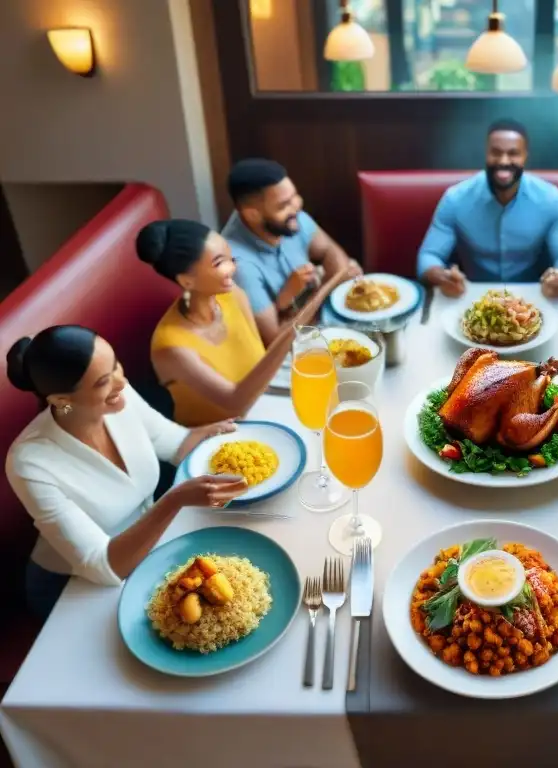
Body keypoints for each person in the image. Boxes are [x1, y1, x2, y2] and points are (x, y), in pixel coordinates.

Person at [6, 326, 250, 618]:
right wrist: (174, 500)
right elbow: (101, 565)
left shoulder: (119, 396)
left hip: (150, 548)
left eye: (116, 366)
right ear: (61, 401)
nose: (121, 381)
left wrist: (211, 434)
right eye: (103, 381)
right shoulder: (29, 462)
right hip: (74, 585)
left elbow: (174, 444)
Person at [138, 218, 342, 427]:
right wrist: (329, 285)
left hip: (263, 404)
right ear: (186, 281)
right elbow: (234, 402)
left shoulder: (231, 294)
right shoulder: (171, 346)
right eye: (219, 263)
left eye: (230, 257)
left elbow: (262, 357)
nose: (233, 268)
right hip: (217, 436)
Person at [416, 119, 558, 300]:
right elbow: (428, 256)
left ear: (525, 156)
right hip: (472, 296)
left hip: (533, 296)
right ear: (486, 154)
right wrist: (442, 277)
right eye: (496, 153)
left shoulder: (551, 199)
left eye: (513, 153)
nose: (504, 161)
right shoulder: (455, 198)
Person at [222, 158, 362, 344]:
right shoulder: (239, 265)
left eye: (294, 196)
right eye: (283, 205)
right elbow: (275, 340)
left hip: (308, 316)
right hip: (286, 352)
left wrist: (329, 284)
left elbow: (330, 250)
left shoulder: (288, 218)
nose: (297, 206)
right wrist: (330, 286)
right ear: (252, 214)